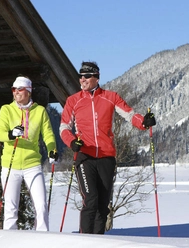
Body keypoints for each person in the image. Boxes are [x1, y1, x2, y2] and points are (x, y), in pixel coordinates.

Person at [59, 61, 156, 234]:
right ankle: (84, 242)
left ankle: (98, 241)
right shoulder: (73, 100)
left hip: (106, 157)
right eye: (81, 76)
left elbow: (130, 115)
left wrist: (144, 122)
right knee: (91, 200)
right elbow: (64, 127)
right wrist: (72, 142)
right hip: (84, 156)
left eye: (87, 76)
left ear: (96, 77)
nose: (83, 79)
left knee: (103, 205)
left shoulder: (110, 97)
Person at [0, 75, 58, 231]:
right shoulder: (6, 109)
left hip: (32, 164)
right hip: (11, 165)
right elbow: (0, 134)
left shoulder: (40, 111)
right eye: (14, 89)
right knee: (10, 208)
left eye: (20, 89)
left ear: (29, 92)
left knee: (41, 205)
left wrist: (52, 151)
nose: (16, 92)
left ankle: (43, 240)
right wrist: (11, 134)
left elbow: (48, 134)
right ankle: (10, 240)